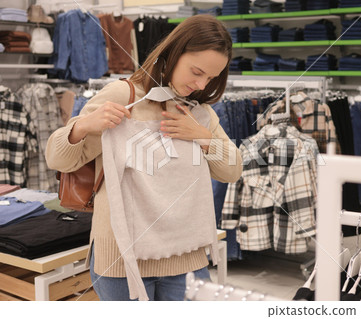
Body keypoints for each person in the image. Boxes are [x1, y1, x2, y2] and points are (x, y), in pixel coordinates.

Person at [45, 14, 242, 301]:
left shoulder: (199, 112)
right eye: (197, 72)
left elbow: (233, 171)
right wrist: (84, 125)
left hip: (185, 254)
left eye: (211, 78)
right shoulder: (122, 95)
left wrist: (203, 137)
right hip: (122, 257)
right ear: (173, 53)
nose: (201, 85)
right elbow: (58, 159)